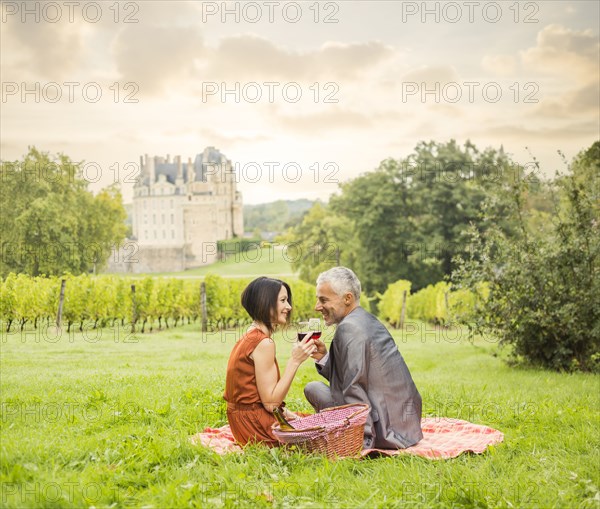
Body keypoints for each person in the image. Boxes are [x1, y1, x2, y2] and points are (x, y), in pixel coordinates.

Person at [304, 267, 423, 449]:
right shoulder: (366, 319)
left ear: (347, 298)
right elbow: (356, 375)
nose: (317, 307)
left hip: (385, 430)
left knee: (313, 389)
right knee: (318, 389)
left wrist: (363, 441)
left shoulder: (348, 328)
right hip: (407, 425)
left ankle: (353, 433)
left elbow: (354, 385)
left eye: (323, 300)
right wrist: (324, 359)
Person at [223, 276, 316, 446]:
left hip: (242, 421)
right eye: (283, 300)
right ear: (265, 303)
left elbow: (257, 397)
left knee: (306, 419)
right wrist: (294, 361)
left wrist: (289, 415)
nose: (289, 307)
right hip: (254, 427)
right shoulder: (264, 343)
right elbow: (271, 404)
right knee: (317, 432)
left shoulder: (251, 334)